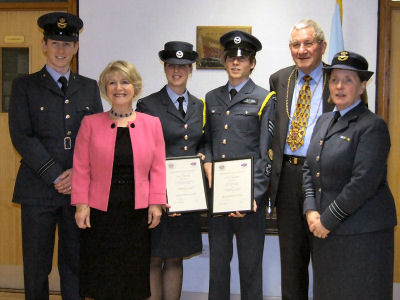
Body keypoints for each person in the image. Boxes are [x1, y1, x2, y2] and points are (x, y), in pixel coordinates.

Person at [8, 12, 102, 300]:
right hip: (38, 190)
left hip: (77, 191)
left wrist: (77, 173)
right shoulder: (24, 85)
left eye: (67, 44)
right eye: (55, 43)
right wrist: (55, 175)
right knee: (37, 267)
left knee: (74, 264)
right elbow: (22, 135)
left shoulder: (88, 86)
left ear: (76, 48)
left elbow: (96, 134)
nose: (61, 50)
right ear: (44, 45)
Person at [303, 51, 397, 300]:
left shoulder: (372, 126)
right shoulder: (323, 121)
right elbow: (309, 169)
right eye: (334, 80)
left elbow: (363, 183)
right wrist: (311, 210)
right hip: (325, 231)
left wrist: (327, 221)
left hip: (362, 235)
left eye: (348, 80)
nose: (339, 86)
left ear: (362, 85)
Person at [71, 60, 166, 300]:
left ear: (135, 87)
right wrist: (81, 204)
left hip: (137, 211)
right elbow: (81, 167)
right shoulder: (90, 123)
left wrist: (156, 202)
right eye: (112, 82)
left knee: (132, 274)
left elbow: (158, 168)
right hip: (101, 211)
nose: (118, 87)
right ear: (105, 88)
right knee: (103, 275)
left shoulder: (151, 124)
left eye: (124, 82)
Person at [203, 30, 275, 300]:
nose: (235, 63)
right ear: (224, 61)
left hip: (250, 201)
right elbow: (207, 140)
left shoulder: (265, 98)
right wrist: (208, 161)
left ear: (252, 63)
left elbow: (265, 151)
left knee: (250, 266)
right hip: (218, 197)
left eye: (242, 59)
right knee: (218, 266)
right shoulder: (210, 98)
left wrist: (253, 196)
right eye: (231, 58)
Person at [268, 19, 334, 300]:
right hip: (288, 177)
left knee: (326, 260)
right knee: (291, 263)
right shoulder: (280, 79)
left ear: (322, 46)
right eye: (296, 44)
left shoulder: (339, 78)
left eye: (308, 43)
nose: (302, 49)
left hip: (325, 177)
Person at [136, 41, 204, 300]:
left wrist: (203, 155)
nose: (177, 70)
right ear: (165, 68)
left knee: (176, 258)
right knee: (153, 258)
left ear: (191, 70)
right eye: (172, 65)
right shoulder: (148, 105)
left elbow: (204, 141)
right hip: (157, 195)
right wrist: (160, 194)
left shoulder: (200, 106)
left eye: (183, 66)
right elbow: (142, 154)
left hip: (187, 195)